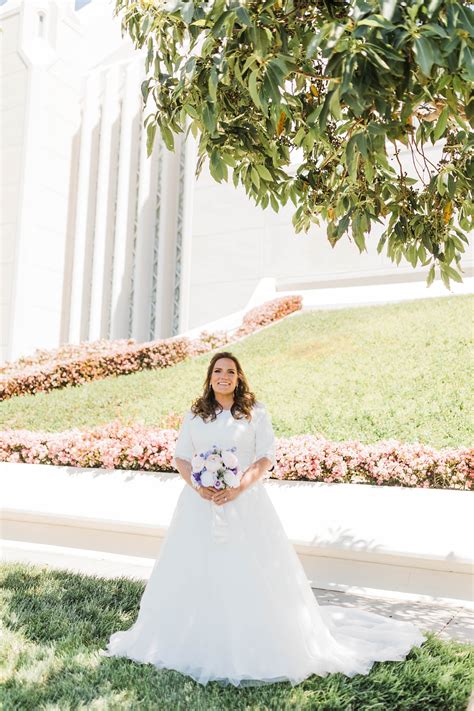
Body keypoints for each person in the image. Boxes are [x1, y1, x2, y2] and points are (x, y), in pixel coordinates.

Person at [100, 351, 426, 687]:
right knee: (195, 567)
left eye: (230, 371)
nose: (223, 376)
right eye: (217, 371)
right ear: (209, 377)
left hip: (245, 503)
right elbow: (181, 456)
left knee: (247, 568)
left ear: (239, 377)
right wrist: (197, 485)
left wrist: (238, 487)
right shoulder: (196, 414)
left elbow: (265, 457)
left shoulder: (254, 413)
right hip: (199, 505)